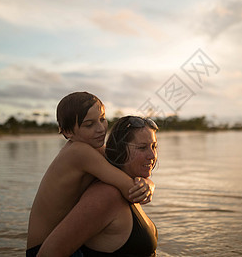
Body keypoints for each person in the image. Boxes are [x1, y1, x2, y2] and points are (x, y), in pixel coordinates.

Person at [27, 93, 154, 256]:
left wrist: (149, 182)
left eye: (102, 119)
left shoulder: (94, 149)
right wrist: (146, 186)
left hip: (71, 241)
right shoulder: (78, 152)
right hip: (44, 248)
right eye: (89, 125)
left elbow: (125, 169)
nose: (100, 128)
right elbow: (130, 188)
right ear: (68, 132)